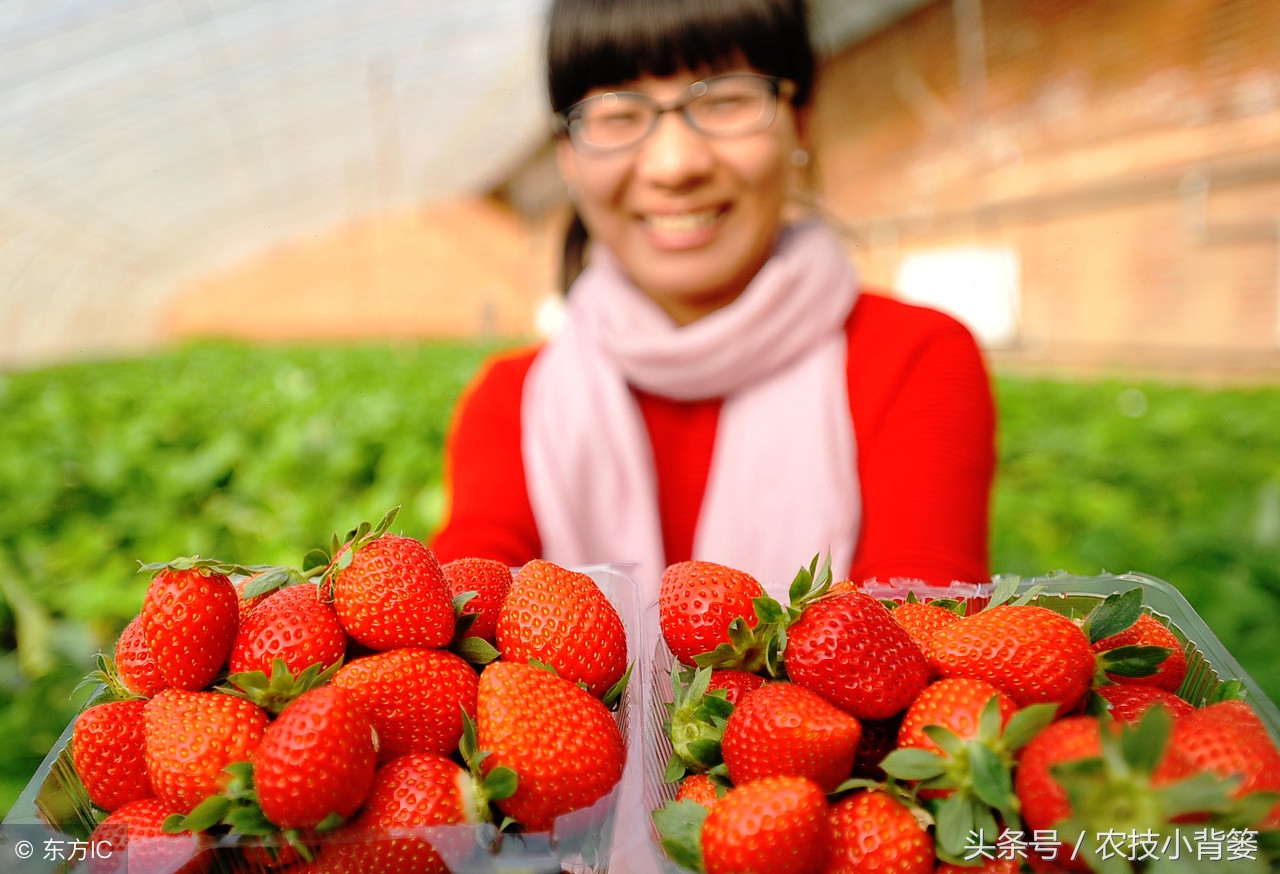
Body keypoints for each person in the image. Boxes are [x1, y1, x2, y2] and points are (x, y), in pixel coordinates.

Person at [431, 0, 995, 606]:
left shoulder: (913, 359)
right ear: (568, 153)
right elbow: (458, 620)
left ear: (799, 121)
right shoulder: (513, 403)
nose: (676, 165)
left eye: (725, 100)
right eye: (617, 113)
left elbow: (923, 639)